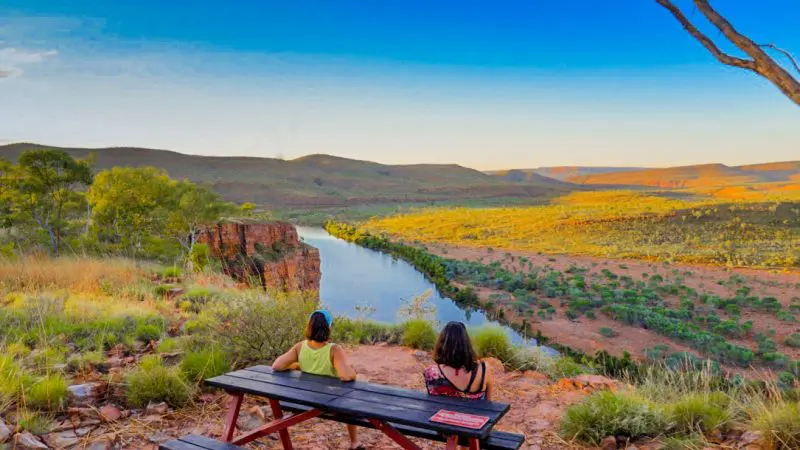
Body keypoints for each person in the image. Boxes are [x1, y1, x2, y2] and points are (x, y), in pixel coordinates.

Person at [272, 310, 362, 449]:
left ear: (310, 326)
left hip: (303, 401)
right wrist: (354, 373)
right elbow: (345, 376)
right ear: (329, 327)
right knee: (350, 402)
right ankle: (354, 442)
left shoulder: (300, 347)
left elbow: (277, 365)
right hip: (330, 403)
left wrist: (296, 364)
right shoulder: (333, 350)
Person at [424, 321, 492, 401]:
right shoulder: (484, 369)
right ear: (466, 342)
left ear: (442, 344)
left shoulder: (431, 373)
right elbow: (488, 403)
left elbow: (432, 402)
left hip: (444, 413)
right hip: (473, 413)